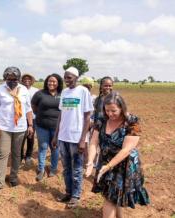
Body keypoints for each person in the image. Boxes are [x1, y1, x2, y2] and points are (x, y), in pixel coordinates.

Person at [85, 92, 150, 218]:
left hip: (123, 165)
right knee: (114, 197)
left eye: (114, 111)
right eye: (107, 110)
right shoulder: (101, 120)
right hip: (105, 161)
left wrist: (108, 166)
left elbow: (126, 150)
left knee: (110, 198)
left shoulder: (132, 122)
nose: (110, 114)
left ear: (122, 107)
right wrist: (90, 161)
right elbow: (93, 142)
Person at [52, 67, 94, 208]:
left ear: (76, 77)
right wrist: (56, 135)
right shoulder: (64, 92)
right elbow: (61, 115)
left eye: (69, 77)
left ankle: (75, 196)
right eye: (65, 77)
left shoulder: (83, 91)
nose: (66, 80)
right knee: (66, 168)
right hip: (63, 137)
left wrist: (83, 139)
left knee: (76, 168)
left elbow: (87, 116)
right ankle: (68, 192)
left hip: (76, 138)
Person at [0, 67, 33, 196]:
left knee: (16, 154)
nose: (12, 81)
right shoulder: (0, 89)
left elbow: (28, 109)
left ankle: (13, 178)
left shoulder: (24, 90)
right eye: (9, 79)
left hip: (20, 127)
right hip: (5, 127)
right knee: (3, 154)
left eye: (14, 79)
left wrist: (30, 125)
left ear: (18, 79)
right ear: (5, 78)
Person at [31, 74, 63, 181]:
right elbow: (34, 107)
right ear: (46, 82)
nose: (51, 83)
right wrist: (42, 115)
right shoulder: (40, 93)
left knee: (55, 147)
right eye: (49, 81)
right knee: (43, 147)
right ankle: (41, 169)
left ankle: (53, 169)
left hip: (57, 127)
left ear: (58, 83)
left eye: (54, 81)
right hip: (41, 126)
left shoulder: (62, 94)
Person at [20, 73, 39, 166]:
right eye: (25, 79)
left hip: (33, 118)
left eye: (29, 79)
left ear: (32, 81)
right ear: (22, 81)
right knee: (21, 138)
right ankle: (20, 156)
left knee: (30, 137)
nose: (27, 80)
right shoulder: (19, 90)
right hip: (21, 118)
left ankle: (28, 156)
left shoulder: (36, 91)